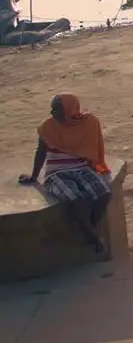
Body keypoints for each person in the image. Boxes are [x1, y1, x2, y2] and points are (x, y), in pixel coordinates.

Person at [17, 94, 113, 254]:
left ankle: (89, 228)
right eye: (52, 108)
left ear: (70, 110)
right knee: (77, 200)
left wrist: (96, 167)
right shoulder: (48, 127)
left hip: (81, 168)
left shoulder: (87, 123)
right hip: (56, 173)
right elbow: (41, 152)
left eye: (57, 109)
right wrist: (34, 177)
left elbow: (94, 147)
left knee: (104, 193)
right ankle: (93, 238)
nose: (52, 112)